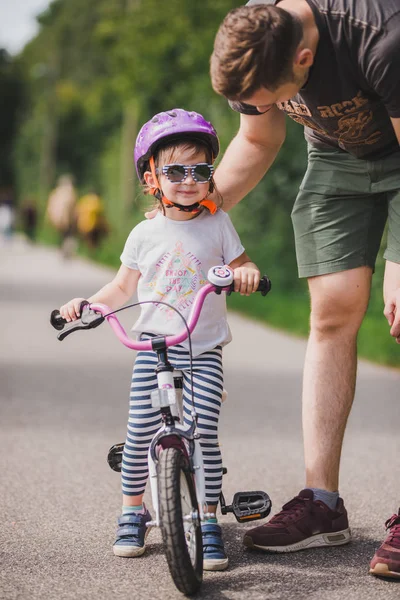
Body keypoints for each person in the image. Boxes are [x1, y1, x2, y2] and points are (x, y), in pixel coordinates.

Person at [209, 0, 400, 579]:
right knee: (332, 313)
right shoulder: (255, 43)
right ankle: (322, 504)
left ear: (306, 57)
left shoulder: (380, 39)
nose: (263, 108)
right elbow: (259, 141)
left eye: (271, 97)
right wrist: (196, 210)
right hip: (338, 159)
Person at [59, 109, 260, 571]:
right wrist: (89, 304)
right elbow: (120, 288)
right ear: (153, 178)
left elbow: (244, 265)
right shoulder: (143, 233)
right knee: (138, 434)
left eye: (200, 171)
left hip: (203, 350)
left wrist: (246, 275)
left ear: (211, 176)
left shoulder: (218, 225)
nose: (188, 180)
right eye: (175, 171)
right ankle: (133, 511)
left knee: (203, 433)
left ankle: (207, 521)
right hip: (153, 349)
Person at [46, 174, 77, 258]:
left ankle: (63, 249)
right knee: (68, 235)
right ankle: (67, 250)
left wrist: (50, 218)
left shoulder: (55, 192)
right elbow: (73, 208)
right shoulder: (70, 192)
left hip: (57, 219)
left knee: (63, 234)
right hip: (67, 219)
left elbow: (50, 206)